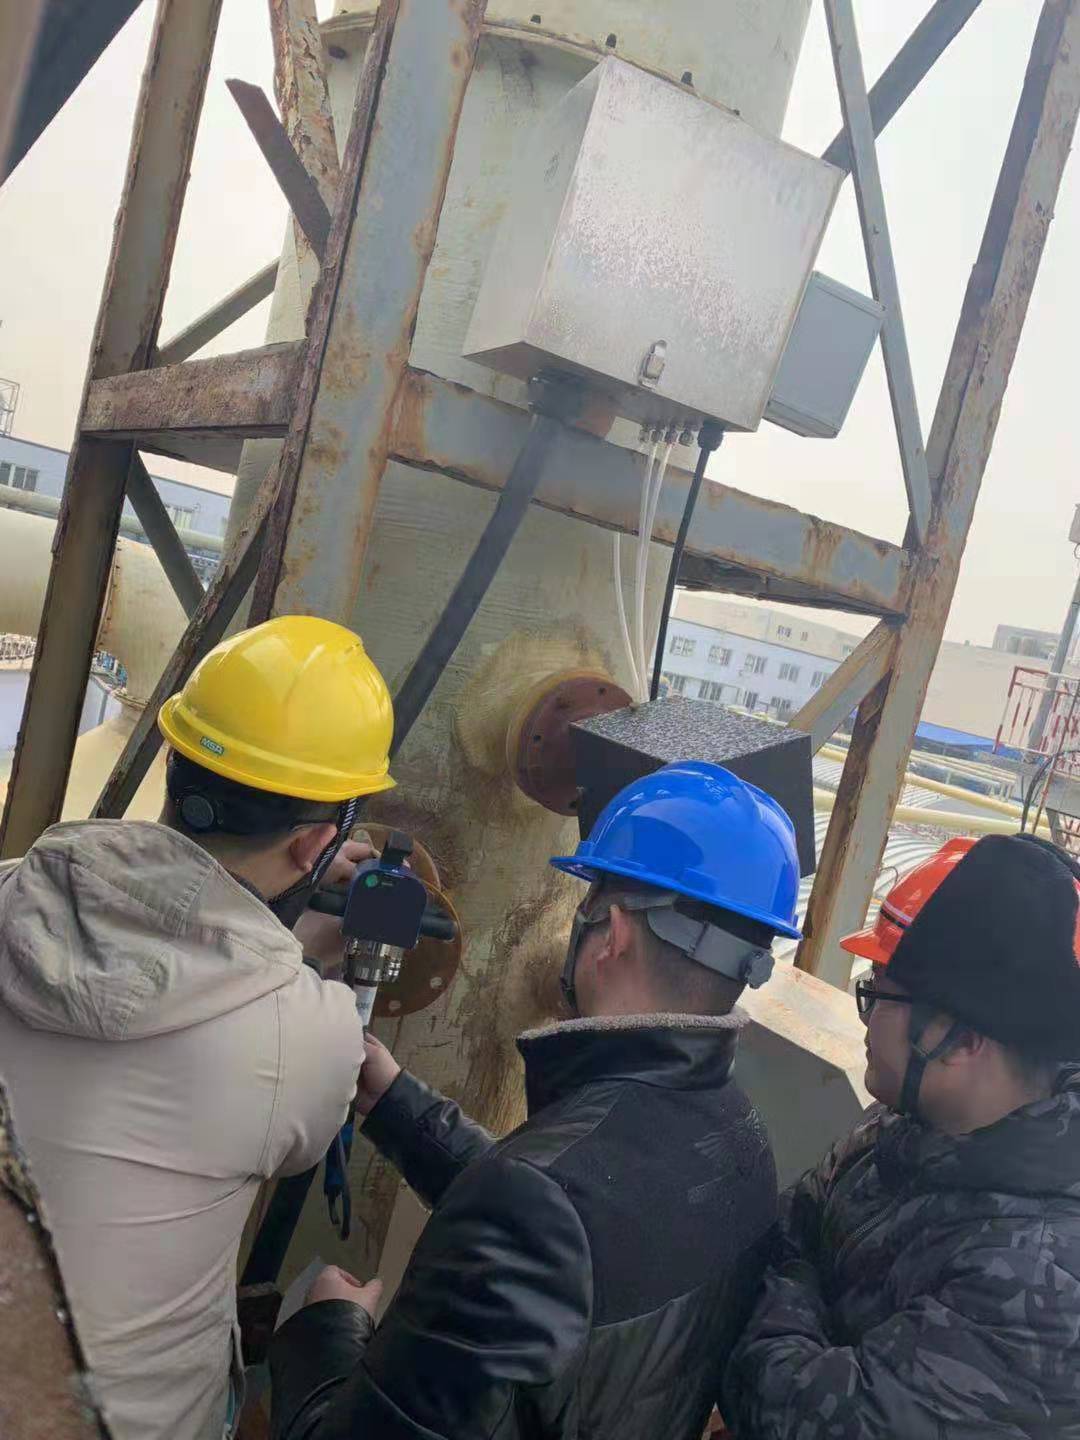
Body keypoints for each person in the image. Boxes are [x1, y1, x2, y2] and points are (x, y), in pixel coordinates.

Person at [267, 759, 802, 1440]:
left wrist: (324, 1327)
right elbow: (578, 1236)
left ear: (612, 934)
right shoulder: (739, 1133)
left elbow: (540, 1217)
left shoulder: (536, 1200)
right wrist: (396, 1103)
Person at [0, 615, 396, 1440]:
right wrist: (297, 948)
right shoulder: (306, 1032)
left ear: (174, 765)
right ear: (316, 845)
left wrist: (281, 926)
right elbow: (298, 1135)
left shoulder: (11, 893)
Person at [725, 832, 1080, 1439]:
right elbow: (796, 1218)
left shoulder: (1038, 1283)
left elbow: (793, 1415)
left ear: (961, 1039)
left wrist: (771, 1288)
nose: (866, 1019)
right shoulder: (914, 1121)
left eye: (877, 993)